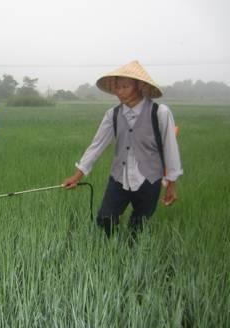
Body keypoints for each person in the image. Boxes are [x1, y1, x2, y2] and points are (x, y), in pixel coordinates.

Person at [62, 61, 183, 237]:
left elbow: (171, 149)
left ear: (140, 86)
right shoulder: (113, 115)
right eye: (117, 87)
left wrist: (171, 184)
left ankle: (132, 256)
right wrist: (77, 176)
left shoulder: (160, 113)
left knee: (138, 226)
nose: (120, 92)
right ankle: (109, 252)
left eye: (125, 86)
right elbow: (96, 146)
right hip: (119, 178)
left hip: (149, 180)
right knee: (104, 219)